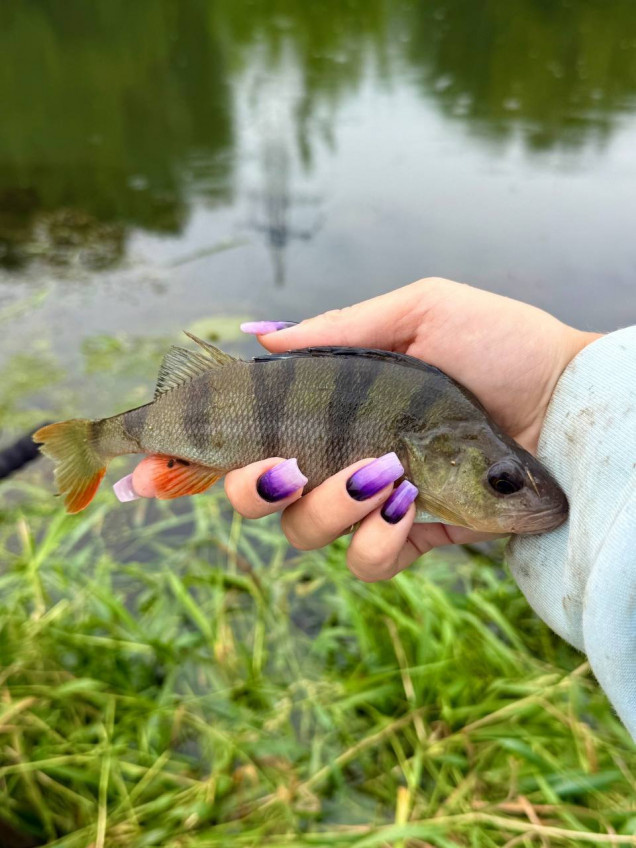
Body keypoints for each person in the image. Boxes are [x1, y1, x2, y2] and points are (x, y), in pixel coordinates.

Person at [122, 278, 636, 739]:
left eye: (502, 481)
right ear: (438, 452)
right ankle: (99, 441)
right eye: (501, 482)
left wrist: (566, 397)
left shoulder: (469, 413)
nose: (515, 495)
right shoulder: (455, 410)